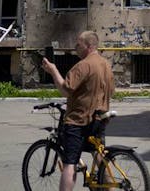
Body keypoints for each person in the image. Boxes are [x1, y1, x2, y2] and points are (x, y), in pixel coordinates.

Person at [41, 31, 114, 191]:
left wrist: (53, 70)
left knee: (69, 164)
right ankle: (109, 187)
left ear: (88, 46)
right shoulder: (106, 65)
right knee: (99, 155)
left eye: (78, 45)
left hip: (79, 121)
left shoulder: (83, 65)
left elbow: (66, 90)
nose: (75, 48)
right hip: (99, 118)